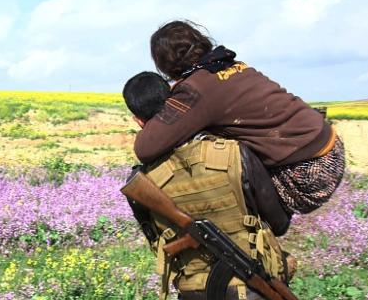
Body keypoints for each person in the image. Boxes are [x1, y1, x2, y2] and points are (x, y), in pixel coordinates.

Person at [123, 72, 290, 300]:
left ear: (138, 120)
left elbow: (156, 240)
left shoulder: (145, 178)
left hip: (194, 288)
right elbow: (277, 218)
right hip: (249, 284)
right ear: (173, 102)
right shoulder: (232, 151)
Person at [134, 20, 345, 216]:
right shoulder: (231, 65)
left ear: (164, 65)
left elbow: (146, 148)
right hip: (329, 147)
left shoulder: (196, 89)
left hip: (306, 173)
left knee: (194, 183)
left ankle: (243, 249)